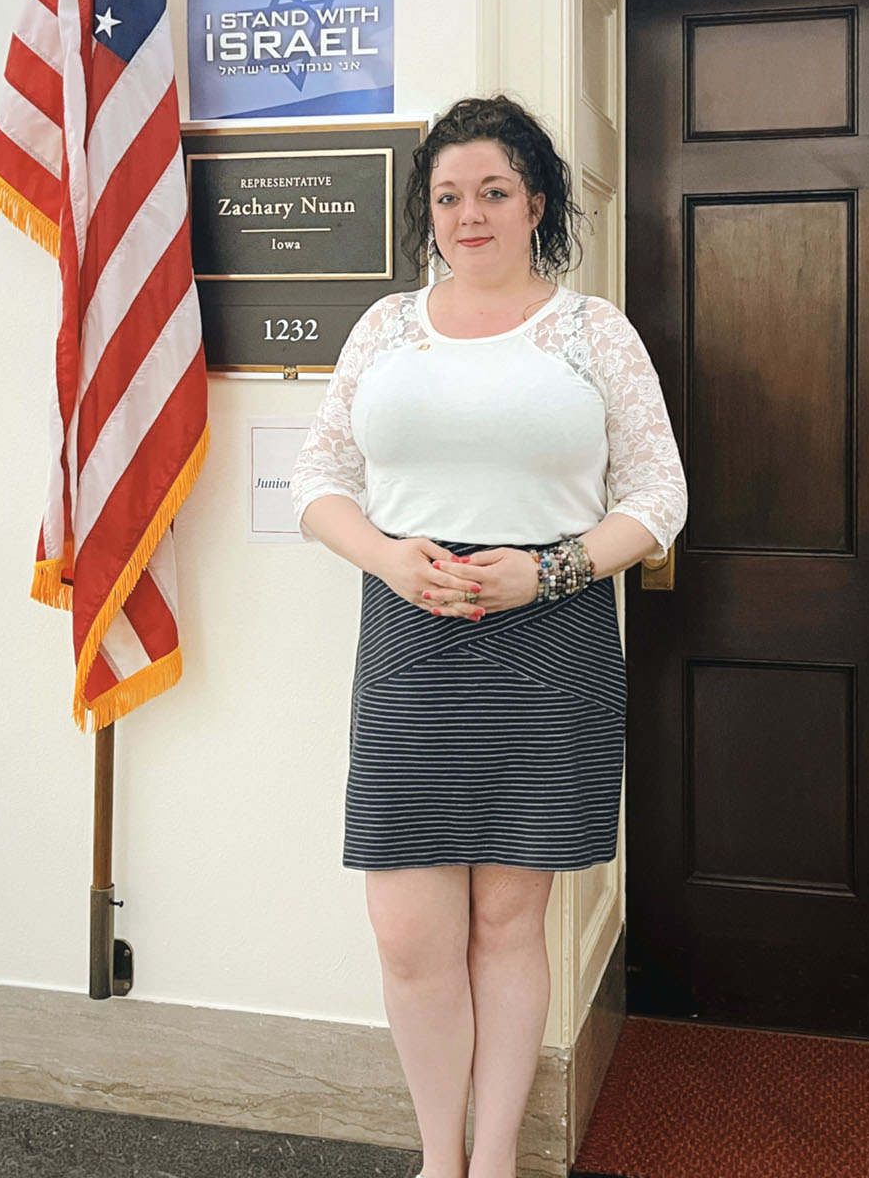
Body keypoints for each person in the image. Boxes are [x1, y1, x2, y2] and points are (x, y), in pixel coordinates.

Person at [289, 94, 687, 1178]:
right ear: (430, 212)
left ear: (536, 202)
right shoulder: (385, 328)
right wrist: (386, 555)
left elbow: (659, 496)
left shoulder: (592, 331)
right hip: (410, 639)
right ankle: (438, 1157)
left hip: (549, 642)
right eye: (450, 196)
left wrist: (547, 570)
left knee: (509, 926)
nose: (470, 214)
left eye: (494, 192)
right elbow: (319, 479)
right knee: (409, 932)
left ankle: (498, 1160)